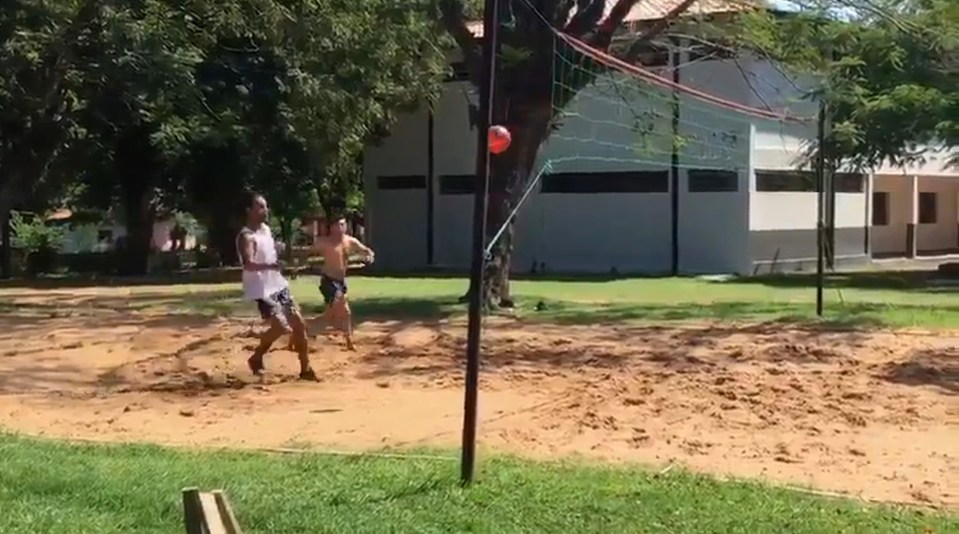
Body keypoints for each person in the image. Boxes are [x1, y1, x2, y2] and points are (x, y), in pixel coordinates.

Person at [236, 192, 317, 381]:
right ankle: (257, 356)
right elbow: (248, 264)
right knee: (281, 326)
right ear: (249, 210)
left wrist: (280, 262)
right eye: (261, 207)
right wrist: (271, 266)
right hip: (261, 288)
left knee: (298, 323)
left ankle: (306, 369)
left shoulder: (265, 229)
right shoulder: (246, 236)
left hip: (277, 284)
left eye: (266, 206)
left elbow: (270, 254)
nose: (266, 210)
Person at [311, 215, 374, 350]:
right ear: (332, 228)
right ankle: (349, 341)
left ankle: (306, 330)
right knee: (345, 310)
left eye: (342, 225)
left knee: (330, 315)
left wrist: (369, 256)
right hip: (328, 281)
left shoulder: (350, 241)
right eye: (337, 225)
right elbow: (306, 253)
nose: (340, 228)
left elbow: (366, 250)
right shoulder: (325, 242)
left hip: (341, 282)